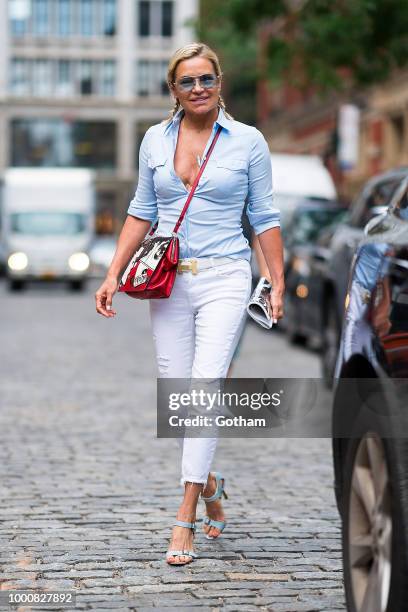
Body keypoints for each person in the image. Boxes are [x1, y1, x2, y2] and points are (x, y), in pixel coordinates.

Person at [95, 42, 285, 566]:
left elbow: (265, 217)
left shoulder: (248, 141)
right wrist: (113, 273)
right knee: (179, 401)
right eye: (187, 82)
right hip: (169, 282)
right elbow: (141, 209)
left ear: (220, 82)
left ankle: (184, 518)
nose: (198, 89)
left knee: (203, 390)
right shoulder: (155, 139)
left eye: (206, 79)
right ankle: (210, 485)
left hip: (224, 275)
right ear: (172, 89)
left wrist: (277, 280)